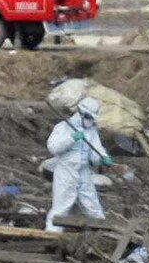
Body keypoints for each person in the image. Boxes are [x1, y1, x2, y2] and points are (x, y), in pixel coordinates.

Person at [46, 96, 111, 232]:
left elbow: (96, 150)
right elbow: (53, 147)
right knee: (62, 205)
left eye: (92, 118)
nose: (90, 121)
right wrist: (71, 139)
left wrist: (103, 157)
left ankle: (103, 233)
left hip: (84, 171)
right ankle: (51, 234)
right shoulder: (64, 127)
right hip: (66, 171)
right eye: (88, 117)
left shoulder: (92, 132)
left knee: (92, 205)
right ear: (80, 113)